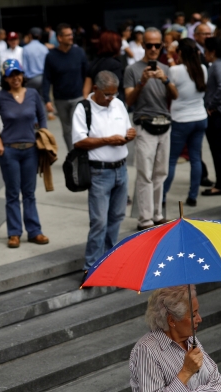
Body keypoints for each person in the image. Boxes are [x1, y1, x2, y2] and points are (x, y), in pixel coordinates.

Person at [0, 59, 49, 249]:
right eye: (11, 75)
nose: (15, 78)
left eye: (18, 74)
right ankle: (14, 233)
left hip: (30, 150)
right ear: (5, 78)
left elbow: (42, 115)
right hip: (9, 151)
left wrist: (43, 134)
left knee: (29, 193)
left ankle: (34, 231)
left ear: (23, 74)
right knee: (12, 194)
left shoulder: (33, 94)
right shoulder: (1, 96)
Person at [72, 71, 134, 270]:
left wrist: (129, 134)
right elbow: (79, 141)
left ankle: (109, 259)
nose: (110, 99)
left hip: (121, 169)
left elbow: (127, 129)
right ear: (95, 89)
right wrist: (108, 140)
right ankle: (91, 266)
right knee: (99, 221)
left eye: (114, 94)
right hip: (99, 172)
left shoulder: (118, 104)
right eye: (107, 94)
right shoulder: (83, 108)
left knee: (116, 217)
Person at [125, 28, 178, 230]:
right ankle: (144, 219)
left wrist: (165, 79)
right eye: (149, 45)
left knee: (160, 173)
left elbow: (175, 95)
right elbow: (129, 100)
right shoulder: (132, 70)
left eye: (158, 45)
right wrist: (142, 82)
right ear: (143, 45)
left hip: (164, 124)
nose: (154, 49)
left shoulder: (166, 68)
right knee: (145, 174)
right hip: (144, 125)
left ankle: (157, 214)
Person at [162, 38, 207, 206]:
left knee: (172, 159)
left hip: (181, 120)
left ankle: (163, 196)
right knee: (196, 158)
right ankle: (192, 196)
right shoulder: (203, 68)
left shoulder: (175, 70)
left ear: (180, 52)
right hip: (200, 118)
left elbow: (170, 91)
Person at [43, 23, 89, 151]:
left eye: (71, 34)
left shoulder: (79, 52)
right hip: (60, 99)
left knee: (78, 127)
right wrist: (47, 99)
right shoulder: (51, 56)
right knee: (67, 129)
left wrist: (86, 94)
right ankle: (73, 155)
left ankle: (82, 154)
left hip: (77, 97)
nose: (71, 37)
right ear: (59, 38)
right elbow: (46, 78)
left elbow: (88, 75)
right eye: (68, 35)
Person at [202, 37, 221, 197]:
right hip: (220, 111)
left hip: (217, 113)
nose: (204, 54)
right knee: (220, 148)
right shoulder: (218, 64)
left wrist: (211, 105)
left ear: (212, 52)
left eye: (206, 50)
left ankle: (220, 184)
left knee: (217, 150)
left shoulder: (217, 65)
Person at [83, 30, 126, 100]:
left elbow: (86, 91)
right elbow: (115, 91)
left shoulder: (95, 62)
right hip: (113, 106)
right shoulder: (115, 65)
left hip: (96, 103)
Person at [22, 27, 49, 97]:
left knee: (31, 100)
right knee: (43, 100)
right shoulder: (44, 48)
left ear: (30, 35)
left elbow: (25, 68)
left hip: (32, 80)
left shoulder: (26, 48)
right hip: (44, 78)